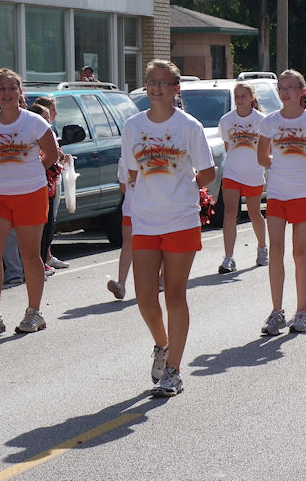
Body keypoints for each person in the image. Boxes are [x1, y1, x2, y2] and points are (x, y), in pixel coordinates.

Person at [121, 59, 215, 397]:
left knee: (175, 294)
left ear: (176, 89)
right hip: (145, 220)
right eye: (151, 81)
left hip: (181, 219)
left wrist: (187, 185)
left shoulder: (189, 126)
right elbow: (130, 173)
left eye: (163, 82)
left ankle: (173, 371)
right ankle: (162, 345)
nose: (156, 87)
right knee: (146, 298)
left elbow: (208, 172)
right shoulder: (133, 126)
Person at [0, 68, 58, 337]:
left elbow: (51, 154)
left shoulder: (34, 122)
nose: (7, 93)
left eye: (12, 88)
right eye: (2, 89)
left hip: (30, 194)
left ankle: (34, 312)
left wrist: (30, 174)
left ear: (20, 93)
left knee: (30, 255)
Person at [258, 69, 306, 334]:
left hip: (302, 193)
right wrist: (280, 167)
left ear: (302, 91)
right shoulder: (269, 121)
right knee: (276, 251)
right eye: (281, 87)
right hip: (277, 194)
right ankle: (276, 312)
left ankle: (302, 312)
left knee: (299, 252)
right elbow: (262, 157)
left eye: (290, 87)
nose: (285, 92)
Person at [216, 82, 268, 274]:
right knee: (230, 214)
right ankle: (228, 258)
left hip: (253, 172)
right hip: (232, 173)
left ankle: (262, 248)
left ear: (252, 98)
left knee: (254, 213)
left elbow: (267, 149)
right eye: (237, 96)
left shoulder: (262, 120)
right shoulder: (226, 120)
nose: (239, 100)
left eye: (243, 96)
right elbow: (228, 147)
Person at [34, 95, 69, 271]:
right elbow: (46, 154)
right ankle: (40, 260)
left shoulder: (50, 131)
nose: (55, 114)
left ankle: (46, 256)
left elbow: (55, 153)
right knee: (43, 222)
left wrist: (61, 156)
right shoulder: (37, 132)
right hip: (43, 181)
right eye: (51, 111)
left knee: (50, 221)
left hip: (53, 180)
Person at [28, 103, 63, 271]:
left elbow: (54, 154)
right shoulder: (33, 135)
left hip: (50, 184)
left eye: (48, 118)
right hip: (37, 185)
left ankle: (43, 260)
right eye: (44, 118)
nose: (47, 122)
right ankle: (37, 264)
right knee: (38, 229)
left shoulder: (49, 133)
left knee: (49, 225)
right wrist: (37, 171)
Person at [107, 156, 133, 300]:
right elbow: (123, 187)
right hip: (132, 208)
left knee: (158, 244)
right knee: (128, 243)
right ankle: (121, 285)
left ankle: (161, 279)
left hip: (154, 209)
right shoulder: (124, 159)